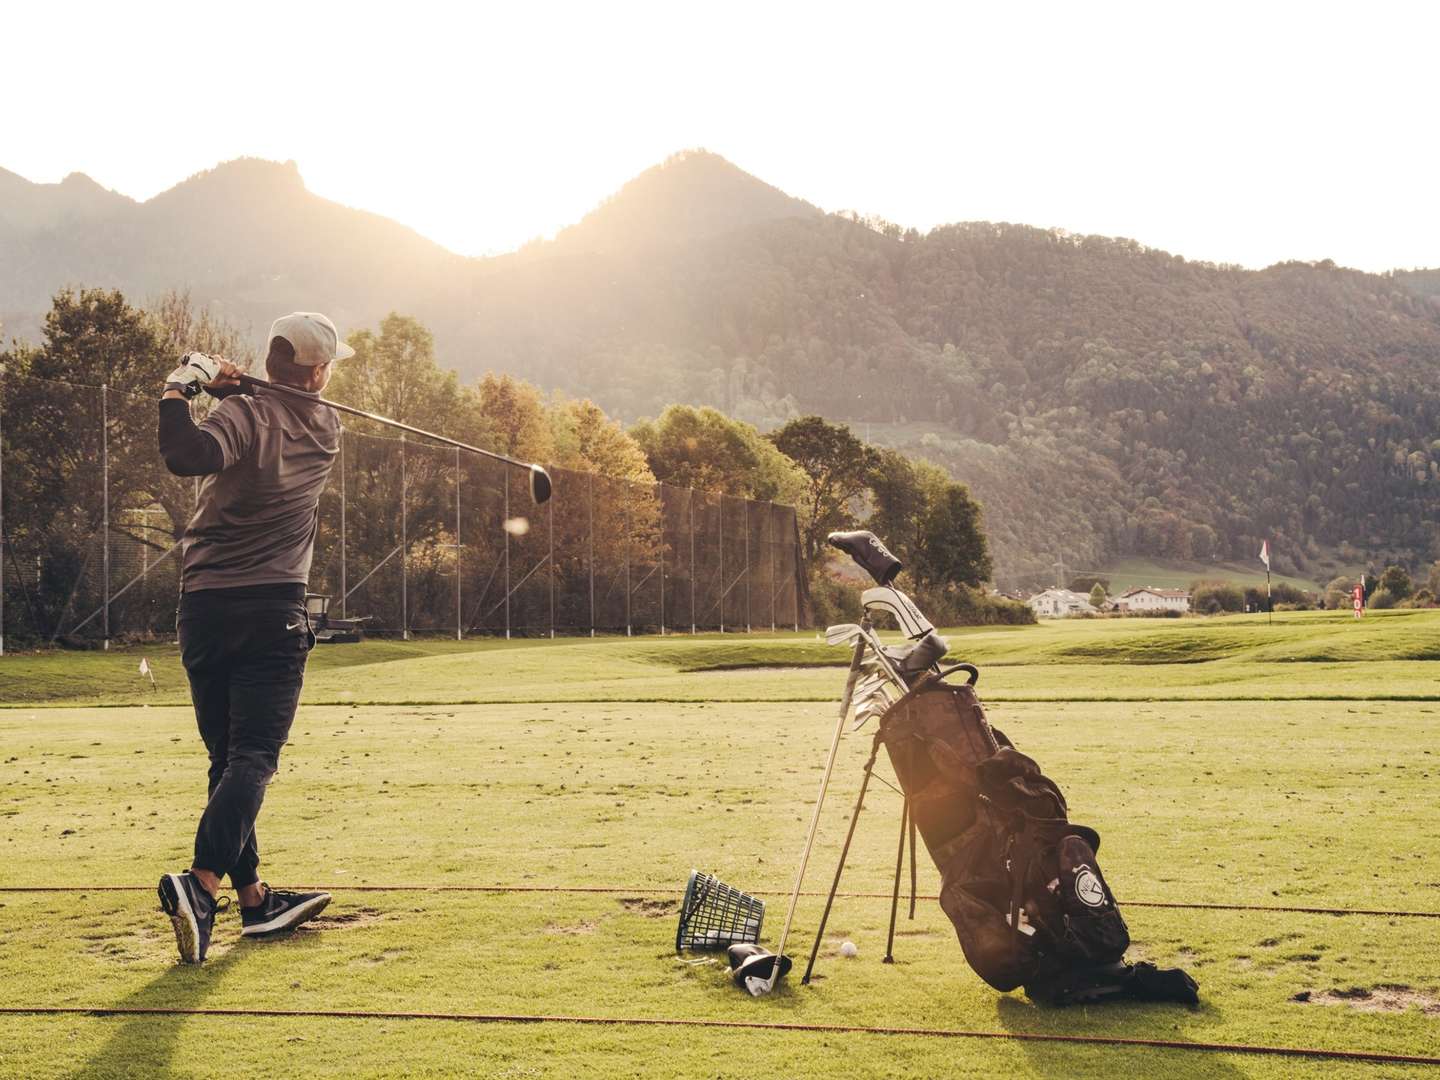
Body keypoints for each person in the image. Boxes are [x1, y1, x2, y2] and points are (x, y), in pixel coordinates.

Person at [155, 312, 354, 963]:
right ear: (318, 372)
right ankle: (201, 885)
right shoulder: (326, 427)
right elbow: (266, 415)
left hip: (205, 607)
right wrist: (236, 392)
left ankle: (257, 902)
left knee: (227, 762)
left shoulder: (244, 417)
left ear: (270, 363)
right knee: (253, 760)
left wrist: (182, 386)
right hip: (272, 612)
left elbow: (186, 454)